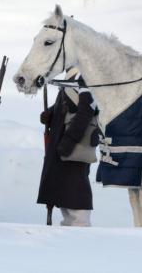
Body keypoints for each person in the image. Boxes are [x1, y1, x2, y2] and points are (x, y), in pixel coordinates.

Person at [37, 67, 98, 226]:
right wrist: (51, 113)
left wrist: (69, 141)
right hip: (63, 142)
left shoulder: (86, 77)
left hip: (75, 145)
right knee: (63, 187)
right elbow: (69, 105)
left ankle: (80, 226)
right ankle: (69, 229)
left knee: (76, 187)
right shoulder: (72, 78)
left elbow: (87, 111)